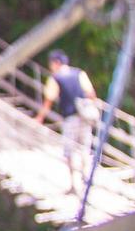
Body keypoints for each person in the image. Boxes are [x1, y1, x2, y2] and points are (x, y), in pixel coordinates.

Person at [31, 49, 101, 194]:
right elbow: (91, 94)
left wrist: (40, 118)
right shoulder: (79, 73)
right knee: (84, 148)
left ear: (56, 63)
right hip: (84, 117)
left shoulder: (55, 78)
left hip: (70, 118)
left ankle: (73, 185)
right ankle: (87, 179)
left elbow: (48, 101)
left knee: (69, 151)